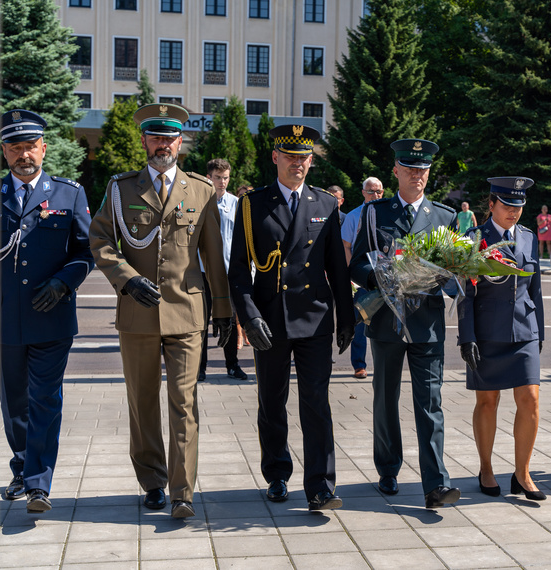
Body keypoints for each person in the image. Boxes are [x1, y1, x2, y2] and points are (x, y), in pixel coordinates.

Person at [90, 103, 234, 519]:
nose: (162, 146)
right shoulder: (121, 189)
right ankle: (152, 480)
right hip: (137, 312)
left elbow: (213, 256)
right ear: (144, 141)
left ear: (180, 143)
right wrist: (126, 278)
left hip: (186, 312)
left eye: (169, 138)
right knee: (142, 401)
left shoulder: (201, 190)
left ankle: (182, 490)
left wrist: (223, 310)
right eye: (155, 138)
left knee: (184, 401)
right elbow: (100, 238)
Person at [227, 124, 354, 511]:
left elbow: (337, 268)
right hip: (271, 321)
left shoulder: (325, 205)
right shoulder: (252, 205)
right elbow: (238, 272)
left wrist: (346, 318)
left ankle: (320, 485)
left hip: (314, 319)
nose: (297, 164)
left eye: (304, 158)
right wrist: (249, 319)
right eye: (290, 157)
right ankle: (277, 474)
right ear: (275, 158)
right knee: (272, 401)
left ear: (311, 162)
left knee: (316, 402)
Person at [0, 109, 94, 513]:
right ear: (4, 152)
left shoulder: (69, 193)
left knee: (45, 398)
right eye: (15, 148)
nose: (23, 155)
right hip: (1, 318)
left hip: (51, 316)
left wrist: (64, 281)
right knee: (14, 401)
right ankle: (21, 467)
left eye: (30, 146)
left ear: (43, 148)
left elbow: (86, 252)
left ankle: (38, 483)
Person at [350, 138, 461, 509]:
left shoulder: (445, 218)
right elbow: (357, 266)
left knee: (430, 402)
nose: (417, 175)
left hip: (426, 325)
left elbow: (453, 273)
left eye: (423, 169)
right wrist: (382, 277)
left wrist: (449, 275)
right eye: (410, 168)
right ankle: (388, 468)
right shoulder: (374, 213)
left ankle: (436, 483)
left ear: (429, 173)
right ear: (395, 170)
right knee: (385, 400)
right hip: (386, 322)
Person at [457, 177, 546, 501]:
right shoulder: (472, 238)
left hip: (524, 330)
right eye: (507, 206)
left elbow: (535, 288)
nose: (514, 212)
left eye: (519, 206)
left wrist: (540, 333)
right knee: (488, 401)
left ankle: (522, 474)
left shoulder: (528, 237)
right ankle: (486, 468)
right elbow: (465, 294)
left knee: (531, 400)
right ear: (491, 204)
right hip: (486, 333)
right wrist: (467, 337)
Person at [197, 158, 247, 381]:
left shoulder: (236, 203)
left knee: (228, 319)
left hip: (227, 273)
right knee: (200, 323)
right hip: (202, 271)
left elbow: (241, 239)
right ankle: (200, 368)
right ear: (208, 177)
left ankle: (232, 365)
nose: (222, 182)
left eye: (225, 178)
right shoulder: (198, 202)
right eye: (217, 177)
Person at [342, 176, 384, 379]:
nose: (375, 195)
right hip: (360, 277)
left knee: (383, 323)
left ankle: (383, 364)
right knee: (359, 323)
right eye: (371, 191)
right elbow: (346, 246)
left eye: (379, 192)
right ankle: (359, 365)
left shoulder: (386, 214)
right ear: (363, 193)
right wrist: (352, 275)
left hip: (384, 278)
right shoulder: (353, 216)